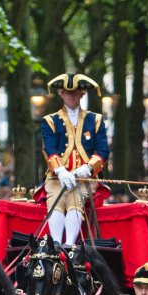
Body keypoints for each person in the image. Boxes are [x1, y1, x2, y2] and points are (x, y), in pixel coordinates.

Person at [41, 72, 110, 246]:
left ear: (82, 93)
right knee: (56, 199)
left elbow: (103, 150)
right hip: (57, 177)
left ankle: (70, 244)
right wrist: (61, 170)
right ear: (60, 93)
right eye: (66, 92)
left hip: (83, 178)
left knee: (75, 199)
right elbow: (49, 148)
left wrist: (87, 168)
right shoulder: (50, 120)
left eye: (74, 92)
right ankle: (56, 244)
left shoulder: (96, 120)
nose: (70, 95)